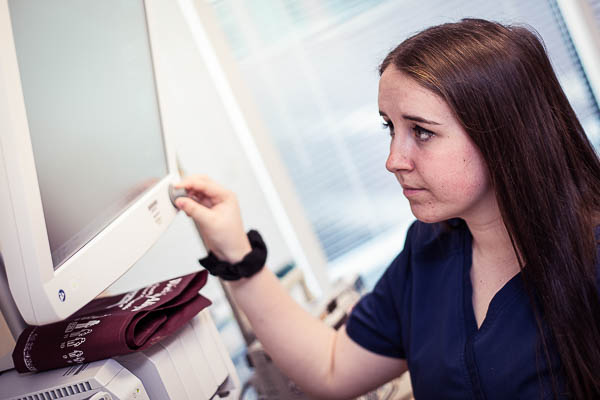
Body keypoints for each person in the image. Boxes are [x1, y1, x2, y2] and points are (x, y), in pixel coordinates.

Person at [175, 18, 600, 399]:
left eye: (422, 132)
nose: (394, 159)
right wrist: (236, 252)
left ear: (504, 134)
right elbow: (332, 368)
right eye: (390, 128)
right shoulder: (431, 249)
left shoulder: (591, 253)